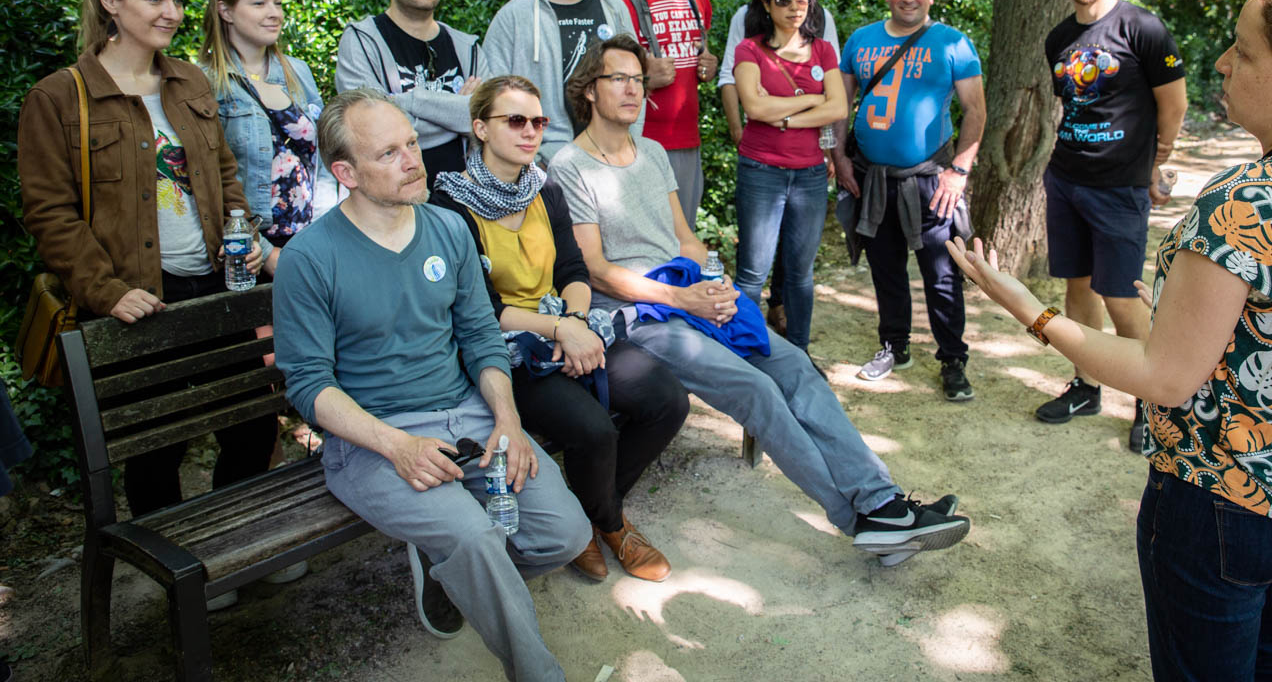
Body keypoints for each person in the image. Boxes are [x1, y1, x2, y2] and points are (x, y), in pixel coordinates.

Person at [948, 0, 1272, 681]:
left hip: (1228, 503)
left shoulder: (1251, 201)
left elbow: (1165, 378)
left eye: (1244, 51)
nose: (1220, 63)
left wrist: (1030, 310)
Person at [550, 34, 969, 566]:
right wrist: (684, 299)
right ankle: (859, 521)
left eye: (638, 79)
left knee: (794, 365)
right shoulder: (570, 165)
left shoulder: (651, 152)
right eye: (619, 79)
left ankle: (880, 501)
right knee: (756, 389)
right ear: (589, 90)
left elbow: (685, 239)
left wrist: (715, 284)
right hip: (636, 314)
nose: (634, 89)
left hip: (686, 290)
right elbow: (596, 270)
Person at [272, 88, 591, 681]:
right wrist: (397, 446)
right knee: (474, 538)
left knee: (565, 535)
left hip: (468, 416)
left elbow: (481, 336)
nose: (413, 161)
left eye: (413, 143)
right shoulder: (309, 258)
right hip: (373, 440)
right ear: (346, 173)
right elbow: (309, 386)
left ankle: (454, 574)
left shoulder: (447, 228)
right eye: (388, 153)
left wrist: (508, 419)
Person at [17, 0, 273, 526]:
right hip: (139, 299)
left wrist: (241, 233)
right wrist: (106, 292)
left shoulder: (189, 82)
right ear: (110, 0)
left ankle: (233, 535)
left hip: (215, 284)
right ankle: (174, 550)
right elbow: (50, 213)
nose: (172, 12)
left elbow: (225, 173)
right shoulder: (59, 97)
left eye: (179, 0)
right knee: (156, 448)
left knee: (253, 426)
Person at [430, 75, 689, 582]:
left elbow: (573, 269)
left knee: (667, 399)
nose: (531, 131)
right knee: (593, 429)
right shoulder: (449, 205)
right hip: (502, 349)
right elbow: (479, 307)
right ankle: (610, 525)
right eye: (515, 120)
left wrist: (573, 324)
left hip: (566, 321)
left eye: (538, 121)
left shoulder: (544, 185)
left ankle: (589, 512)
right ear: (480, 128)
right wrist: (559, 331)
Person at [1034, 0, 1187, 452]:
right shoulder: (1059, 38)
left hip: (1120, 187)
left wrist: (1157, 163)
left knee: (1121, 295)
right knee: (1077, 287)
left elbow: (1174, 104)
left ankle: (1151, 404)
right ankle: (1086, 386)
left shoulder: (1142, 28)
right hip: (1066, 180)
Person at [832, 0, 986, 403]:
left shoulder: (953, 43)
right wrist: (839, 158)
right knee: (886, 269)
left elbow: (976, 111)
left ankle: (953, 359)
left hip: (931, 180)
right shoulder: (861, 40)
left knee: (941, 273)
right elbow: (840, 106)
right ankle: (894, 346)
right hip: (872, 177)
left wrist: (959, 171)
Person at [718, 0, 840, 335]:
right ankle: (747, 350)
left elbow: (838, 107)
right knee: (753, 274)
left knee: (800, 275)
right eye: (783, 0)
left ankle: (800, 353)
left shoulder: (823, 50)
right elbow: (754, 107)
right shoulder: (749, 50)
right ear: (767, 5)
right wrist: (812, 100)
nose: (794, 7)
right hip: (762, 170)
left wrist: (784, 116)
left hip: (809, 174)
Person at [198, 0, 337, 272]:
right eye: (259, 3)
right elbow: (208, 182)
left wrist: (327, 230)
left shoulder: (298, 72)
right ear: (225, 11)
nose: (275, 13)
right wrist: (263, 251)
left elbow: (324, 159)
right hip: (252, 252)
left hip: (313, 242)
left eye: (278, 3)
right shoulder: (206, 82)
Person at [482, 0, 642, 167]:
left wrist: (629, 145)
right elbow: (492, 100)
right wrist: (533, 162)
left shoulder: (612, 6)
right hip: (546, 166)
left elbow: (635, 79)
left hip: (613, 162)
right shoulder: (515, 16)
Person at [335, 0, 490, 180]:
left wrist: (408, 102)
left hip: (465, 194)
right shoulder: (362, 41)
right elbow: (375, 128)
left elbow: (491, 124)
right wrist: (458, 112)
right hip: (392, 194)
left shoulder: (467, 47)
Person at [609, 0, 716, 229]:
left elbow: (701, 50)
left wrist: (708, 64)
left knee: (683, 238)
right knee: (639, 237)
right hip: (637, 142)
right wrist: (642, 78)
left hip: (687, 141)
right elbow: (600, 73)